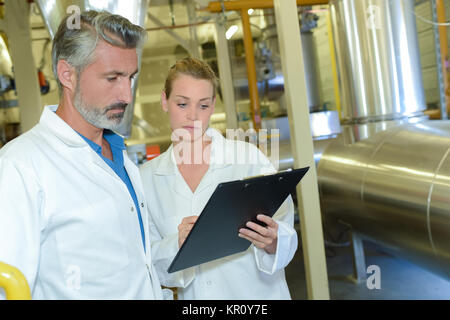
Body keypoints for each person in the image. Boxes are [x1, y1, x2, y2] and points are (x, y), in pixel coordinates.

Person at [0, 10, 164, 299]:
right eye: (113, 78)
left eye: (130, 77)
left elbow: (136, 264)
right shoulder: (21, 167)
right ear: (67, 74)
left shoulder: (119, 156)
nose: (127, 95)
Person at [140, 57, 298, 299]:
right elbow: (149, 261)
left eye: (203, 106)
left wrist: (273, 241)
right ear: (164, 101)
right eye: (182, 104)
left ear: (213, 106)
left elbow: (285, 230)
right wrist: (177, 244)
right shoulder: (147, 178)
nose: (193, 116)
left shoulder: (247, 159)